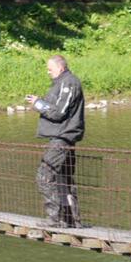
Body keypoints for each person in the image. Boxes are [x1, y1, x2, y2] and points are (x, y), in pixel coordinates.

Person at [26, 54, 85, 228]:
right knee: (64, 179)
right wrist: (40, 102)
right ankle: (72, 221)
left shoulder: (69, 83)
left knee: (44, 176)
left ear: (60, 68)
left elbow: (59, 112)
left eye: (50, 69)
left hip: (63, 138)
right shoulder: (62, 82)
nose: (48, 72)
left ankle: (55, 219)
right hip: (60, 137)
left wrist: (38, 104)